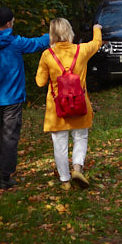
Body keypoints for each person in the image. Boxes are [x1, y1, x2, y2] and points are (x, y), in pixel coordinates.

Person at [0, 6, 50, 191]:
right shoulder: (16, 43)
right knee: (10, 137)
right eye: (12, 21)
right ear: (8, 23)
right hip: (12, 98)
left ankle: (0, 168)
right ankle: (4, 176)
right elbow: (38, 43)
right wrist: (52, 33)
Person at [35, 18, 102, 191]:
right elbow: (97, 43)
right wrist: (96, 28)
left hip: (57, 109)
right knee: (80, 137)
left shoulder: (47, 55)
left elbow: (40, 82)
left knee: (60, 144)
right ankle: (77, 169)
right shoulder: (81, 50)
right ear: (69, 31)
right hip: (80, 105)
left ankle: (65, 181)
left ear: (52, 34)